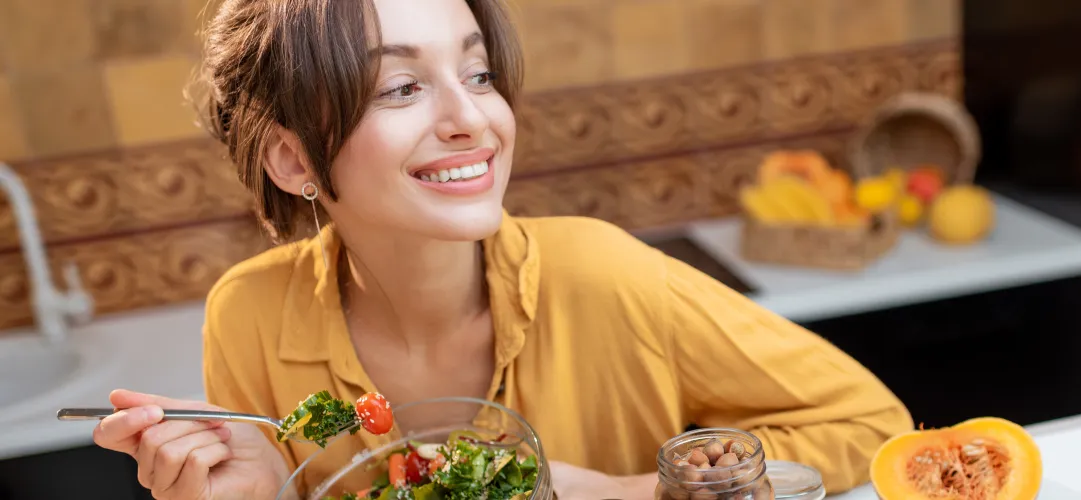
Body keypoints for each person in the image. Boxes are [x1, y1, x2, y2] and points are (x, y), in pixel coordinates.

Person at [90, 0, 914, 498]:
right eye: (402, 87)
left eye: (478, 75)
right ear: (293, 159)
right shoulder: (251, 315)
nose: (472, 119)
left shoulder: (605, 277)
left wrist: (634, 492)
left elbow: (872, 425)